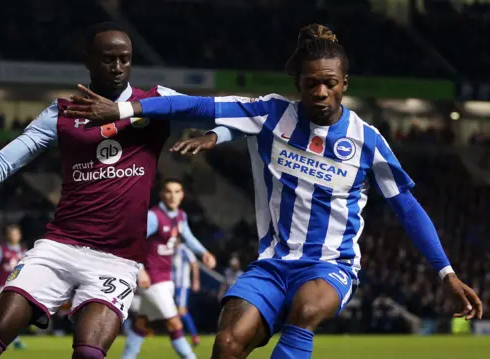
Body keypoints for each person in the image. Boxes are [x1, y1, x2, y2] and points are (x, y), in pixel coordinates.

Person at [63, 24, 484, 359]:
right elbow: (191, 105)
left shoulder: (367, 140)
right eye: (311, 83)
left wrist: (445, 272)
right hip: (271, 265)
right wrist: (124, 108)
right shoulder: (270, 113)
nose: (320, 92)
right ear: (298, 82)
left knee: (305, 313)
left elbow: (406, 206)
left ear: (344, 83)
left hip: (329, 266)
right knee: (227, 344)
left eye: (330, 83)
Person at [0, 22, 228, 359]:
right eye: (109, 59)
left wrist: (216, 135)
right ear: (88, 60)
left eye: (125, 59)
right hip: (60, 246)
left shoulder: (154, 102)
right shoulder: (61, 114)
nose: (118, 67)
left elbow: (223, 110)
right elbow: (4, 163)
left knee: (89, 353)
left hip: (117, 259)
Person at [122, 178, 216, 359]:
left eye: (177, 191)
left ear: (182, 195)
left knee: (142, 323)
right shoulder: (153, 216)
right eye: (168, 191)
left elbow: (188, 237)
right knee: (174, 323)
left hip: (166, 278)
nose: (173, 196)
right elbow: (135, 242)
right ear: (161, 195)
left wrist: (204, 253)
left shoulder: (181, 216)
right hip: (151, 278)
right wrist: (140, 269)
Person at [0, 225, 27, 350]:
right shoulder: (1, 249)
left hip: (19, 286)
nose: (14, 236)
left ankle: (5, 338)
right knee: (7, 312)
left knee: (15, 314)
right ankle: (8, 340)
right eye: (12, 234)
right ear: (8, 236)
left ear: (20, 235)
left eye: (16, 233)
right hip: (4, 286)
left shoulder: (24, 251)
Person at [172, 242, 201, 346]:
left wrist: (196, 281)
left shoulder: (183, 249)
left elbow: (194, 263)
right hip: (173, 285)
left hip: (182, 285)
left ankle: (194, 336)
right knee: (176, 311)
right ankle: (180, 335)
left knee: (182, 311)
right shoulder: (171, 248)